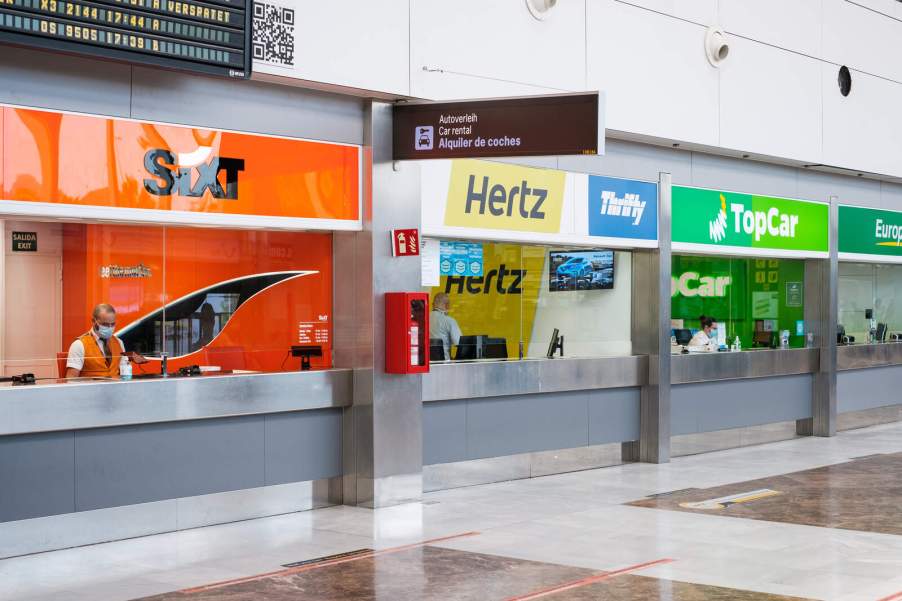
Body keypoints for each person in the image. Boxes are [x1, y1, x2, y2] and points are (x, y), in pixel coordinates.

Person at [65, 303, 147, 378]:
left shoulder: (119, 342)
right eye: (105, 324)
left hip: (116, 387)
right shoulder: (79, 344)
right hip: (91, 389)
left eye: (113, 324)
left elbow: (124, 372)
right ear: (93, 321)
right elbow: (71, 378)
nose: (110, 328)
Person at [430, 293, 462, 361]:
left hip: (426, 362)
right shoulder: (449, 320)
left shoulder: (424, 319)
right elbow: (459, 343)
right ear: (447, 305)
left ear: (433, 305)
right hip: (444, 363)